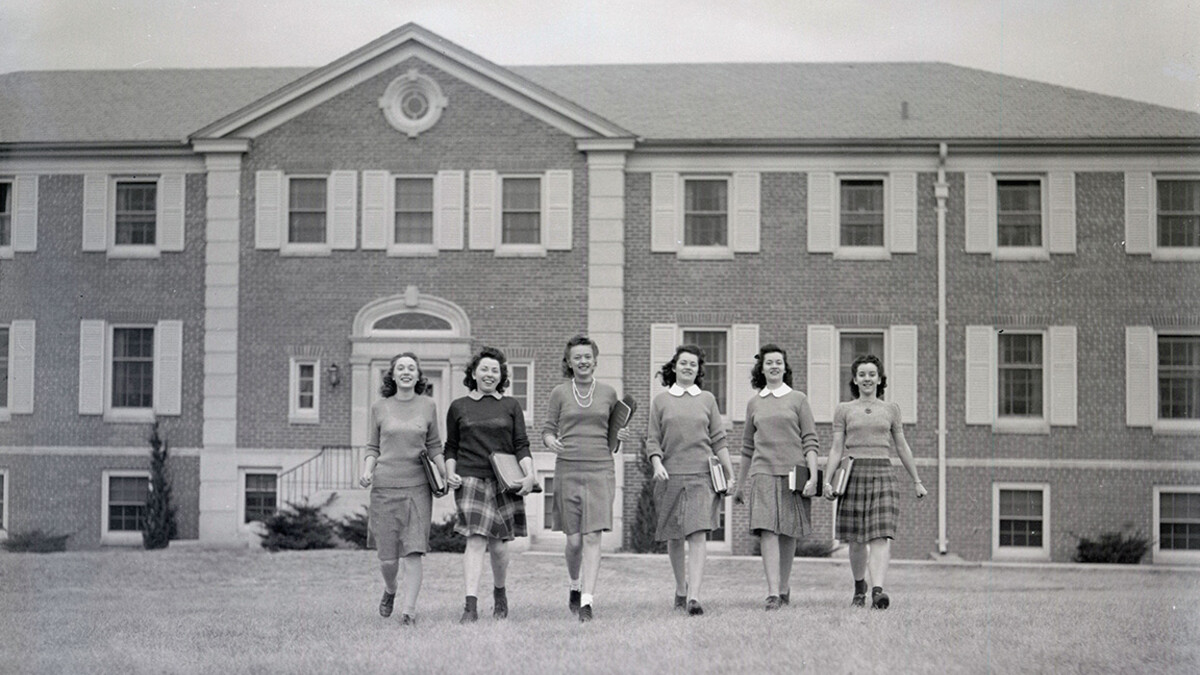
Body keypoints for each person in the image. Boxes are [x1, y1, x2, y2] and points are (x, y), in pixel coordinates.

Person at [823, 354, 926, 609]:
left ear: (879, 379)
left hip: (883, 474)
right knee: (857, 540)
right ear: (855, 379)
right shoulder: (844, 409)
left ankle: (878, 591)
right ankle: (860, 586)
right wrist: (828, 480)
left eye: (872, 374)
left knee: (880, 536)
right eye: (862, 374)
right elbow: (837, 448)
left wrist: (917, 480)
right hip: (853, 473)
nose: (867, 379)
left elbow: (902, 446)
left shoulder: (891, 409)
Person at [443, 346, 536, 623]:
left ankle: (499, 593)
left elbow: (521, 445)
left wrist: (530, 474)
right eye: (484, 369)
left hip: (504, 480)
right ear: (474, 372)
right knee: (475, 539)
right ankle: (470, 606)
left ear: (501, 375)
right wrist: (450, 472)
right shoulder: (459, 406)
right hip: (470, 478)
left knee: (498, 546)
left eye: (495, 370)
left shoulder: (510, 406)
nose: (489, 374)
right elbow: (451, 446)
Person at [542, 334, 630, 622]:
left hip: (600, 469)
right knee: (575, 541)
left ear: (595, 360)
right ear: (568, 362)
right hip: (568, 468)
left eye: (587, 356)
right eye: (577, 357)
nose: (583, 361)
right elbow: (547, 429)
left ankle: (587, 602)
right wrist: (550, 440)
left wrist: (620, 436)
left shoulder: (608, 393)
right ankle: (574, 585)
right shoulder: (559, 393)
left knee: (593, 536)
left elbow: (613, 438)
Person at [646, 345, 735, 616]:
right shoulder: (660, 401)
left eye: (693, 365)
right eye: (683, 363)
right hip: (670, 475)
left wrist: (730, 474)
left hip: (701, 476)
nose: (687, 368)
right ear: (674, 367)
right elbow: (652, 439)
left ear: (698, 371)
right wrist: (657, 463)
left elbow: (718, 440)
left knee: (697, 534)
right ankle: (681, 590)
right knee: (675, 537)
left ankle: (694, 597)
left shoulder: (707, 399)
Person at [359, 352, 446, 626]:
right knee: (388, 558)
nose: (406, 372)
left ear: (419, 375)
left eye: (411, 368)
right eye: (401, 368)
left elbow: (434, 446)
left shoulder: (429, 405)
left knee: (414, 550)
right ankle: (391, 589)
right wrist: (367, 470)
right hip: (385, 487)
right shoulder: (379, 407)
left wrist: (446, 474)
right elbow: (373, 447)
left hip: (418, 487)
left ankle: (409, 611)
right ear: (393, 375)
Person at [733, 344, 819, 611]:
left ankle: (784, 588)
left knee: (787, 533)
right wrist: (739, 484)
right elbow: (747, 447)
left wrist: (814, 475)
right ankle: (772, 593)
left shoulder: (798, 399)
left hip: (794, 473)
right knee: (767, 531)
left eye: (778, 362)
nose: (773, 366)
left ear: (785, 367)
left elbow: (810, 440)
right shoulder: (754, 403)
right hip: (763, 472)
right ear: (762, 368)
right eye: (769, 362)